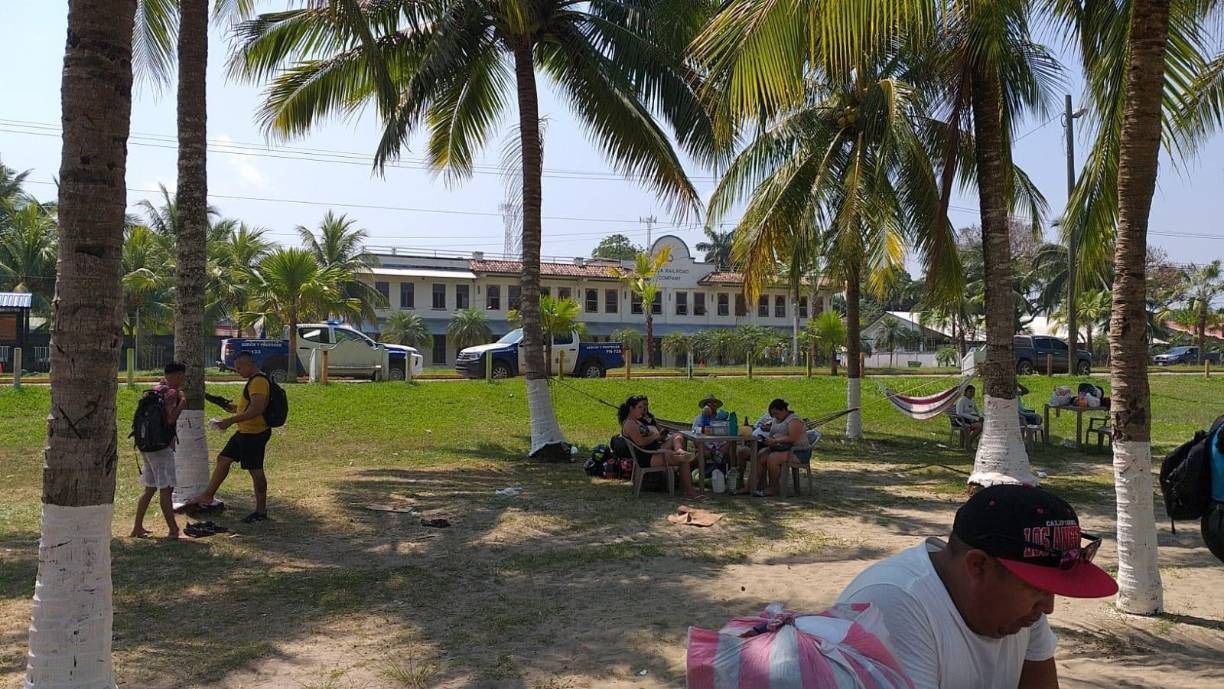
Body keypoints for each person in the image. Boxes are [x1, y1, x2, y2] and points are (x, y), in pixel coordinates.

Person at [837, 485, 1118, 689]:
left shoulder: (1020, 612)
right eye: (1038, 588)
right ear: (978, 567)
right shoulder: (893, 603)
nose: (1048, 607)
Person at [187, 351, 274, 523]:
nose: (238, 371)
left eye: (240, 367)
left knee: (255, 471)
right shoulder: (253, 381)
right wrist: (231, 407)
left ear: (249, 364)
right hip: (244, 432)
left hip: (254, 434)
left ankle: (261, 511)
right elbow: (249, 408)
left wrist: (229, 421)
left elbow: (256, 410)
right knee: (223, 459)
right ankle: (207, 496)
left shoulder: (258, 382)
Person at [131, 361, 188, 539]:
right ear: (176, 375)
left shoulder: (155, 389)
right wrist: (183, 403)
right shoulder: (171, 393)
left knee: (150, 488)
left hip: (146, 445)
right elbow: (171, 419)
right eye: (180, 376)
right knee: (166, 489)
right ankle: (173, 530)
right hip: (161, 448)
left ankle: (137, 528)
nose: (181, 379)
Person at [619, 395, 696, 497]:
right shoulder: (630, 424)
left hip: (655, 449)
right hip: (647, 456)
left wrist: (660, 436)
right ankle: (690, 492)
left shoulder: (638, 420)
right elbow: (640, 442)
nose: (643, 410)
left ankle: (680, 451)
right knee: (683, 460)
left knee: (678, 437)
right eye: (640, 407)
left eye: (644, 407)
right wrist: (655, 436)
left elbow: (652, 436)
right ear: (631, 409)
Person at [747, 398, 809, 497]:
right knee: (761, 454)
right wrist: (767, 440)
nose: (775, 416)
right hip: (781, 448)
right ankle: (752, 485)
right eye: (773, 415)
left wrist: (776, 441)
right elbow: (773, 434)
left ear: (783, 410)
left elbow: (793, 438)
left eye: (776, 413)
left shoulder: (794, 420)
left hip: (798, 451)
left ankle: (774, 488)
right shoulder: (776, 420)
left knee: (773, 459)